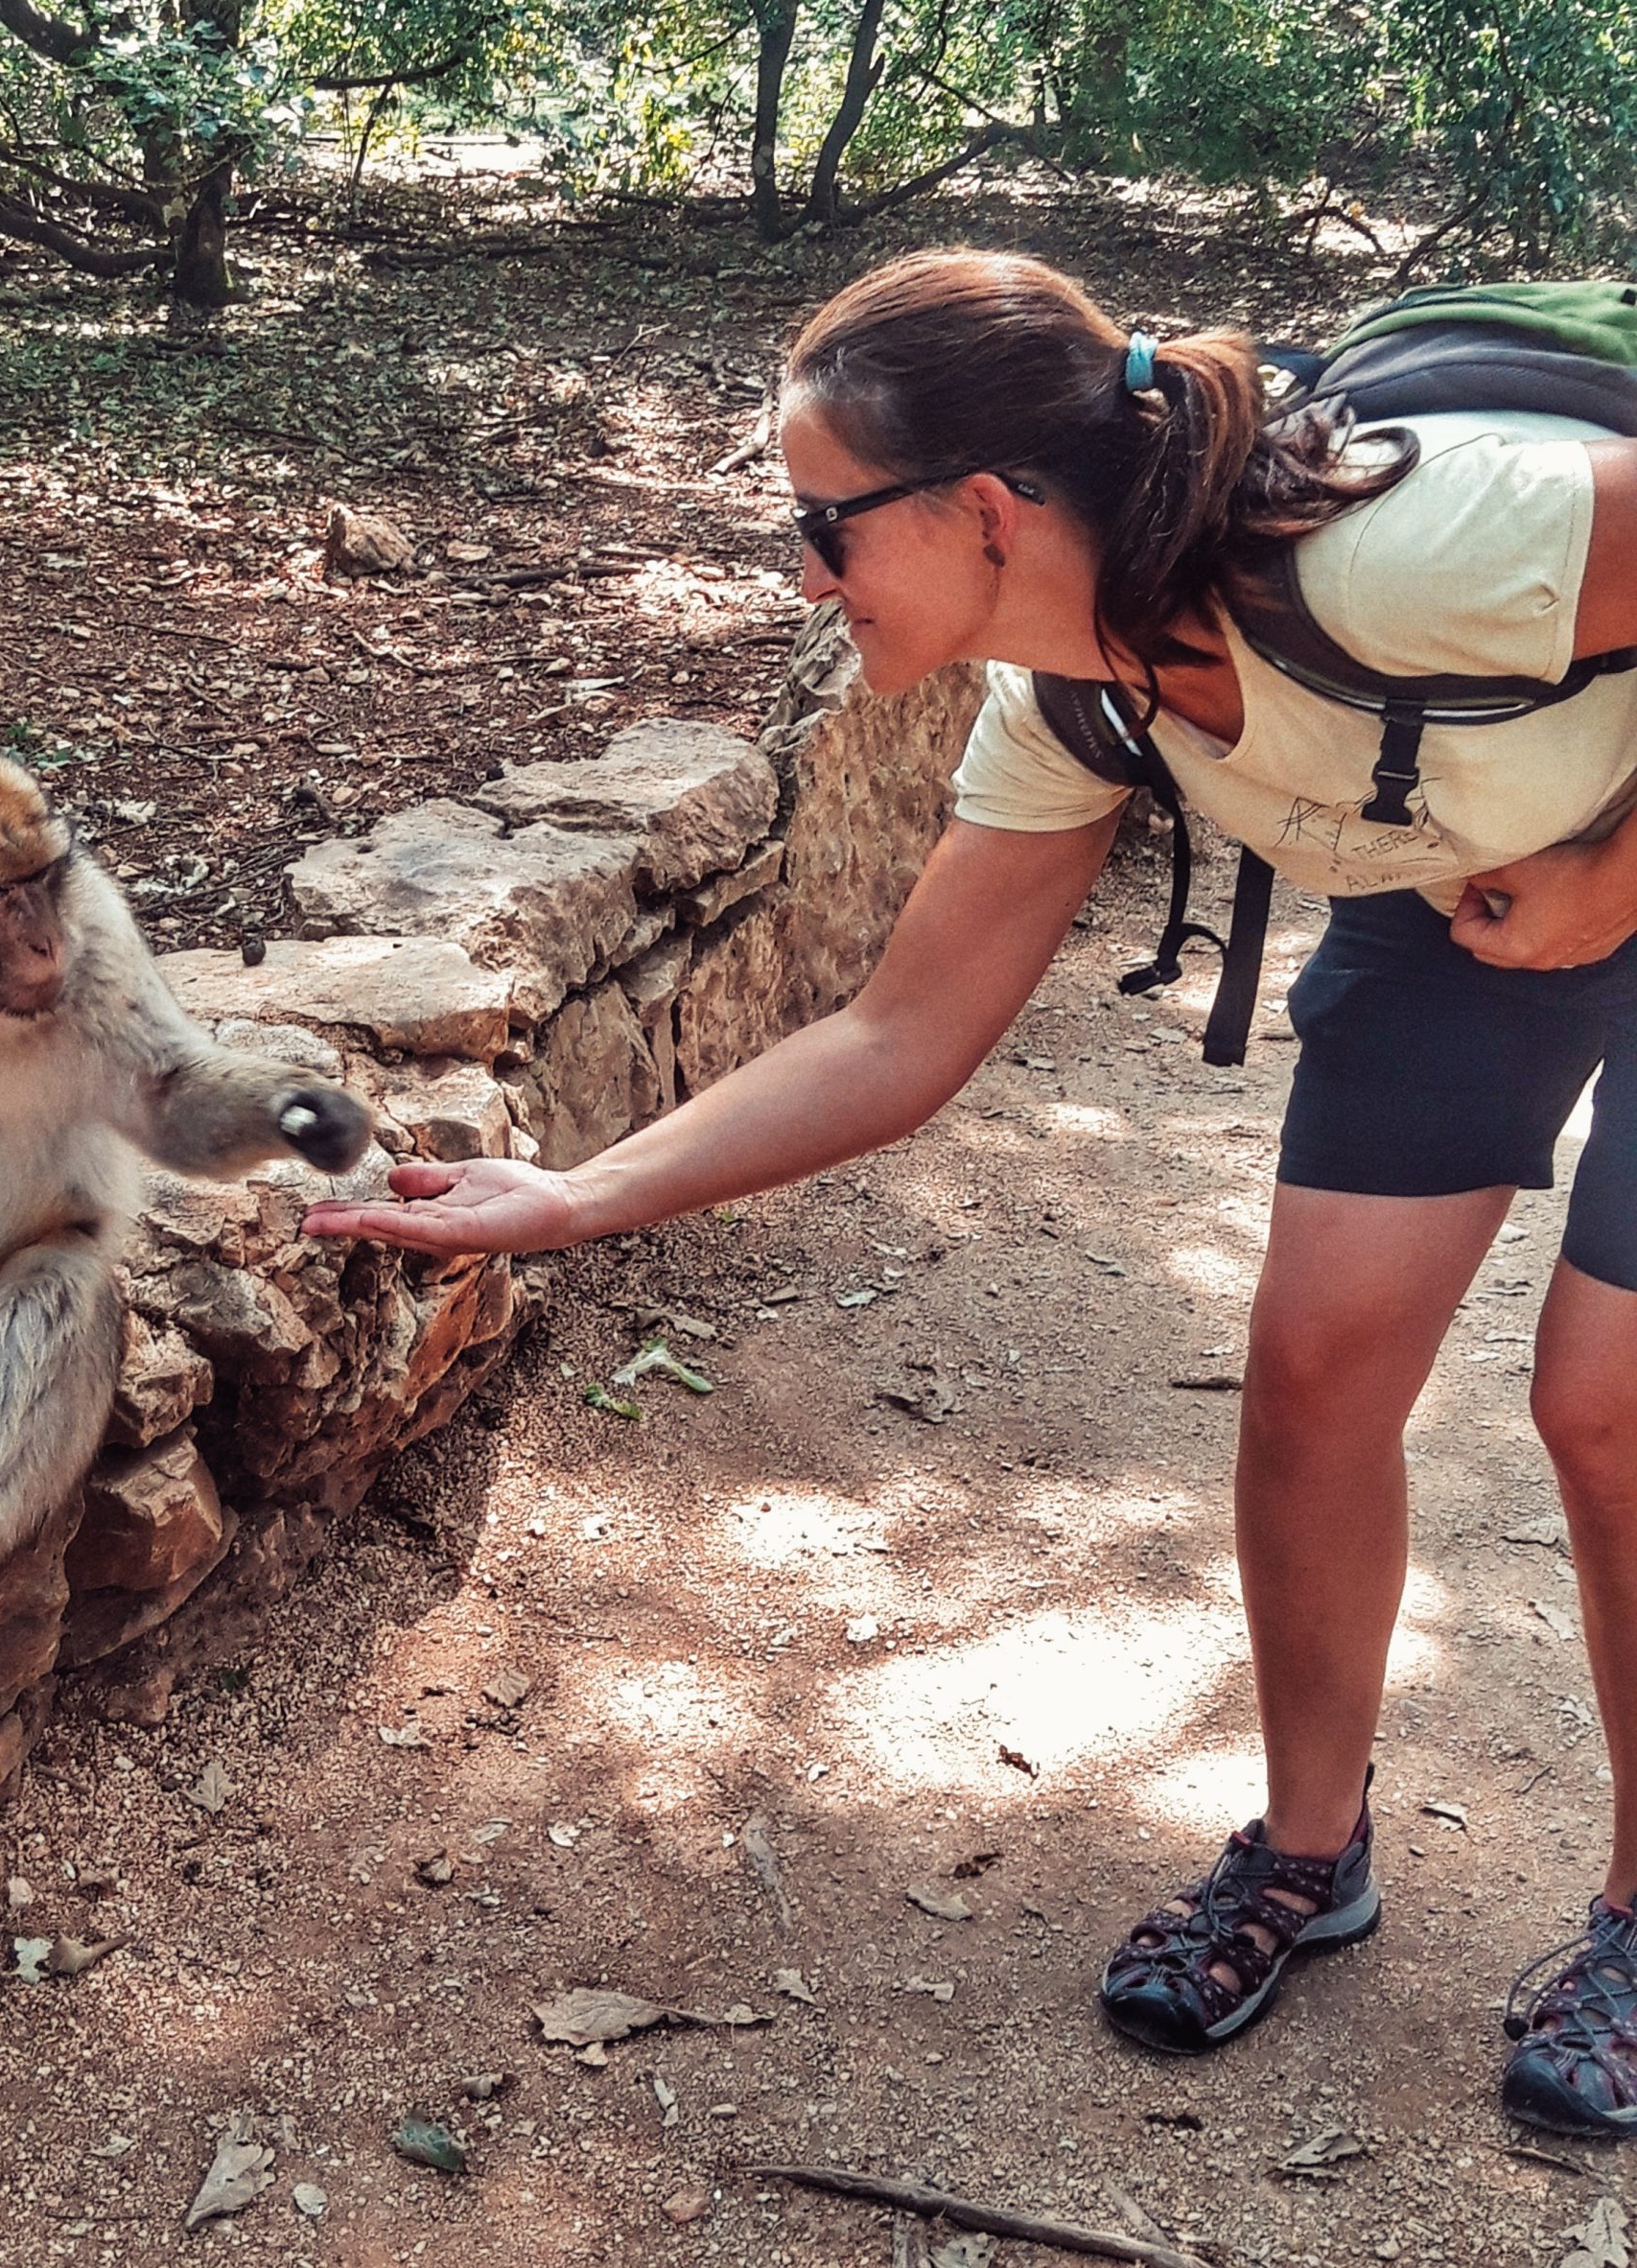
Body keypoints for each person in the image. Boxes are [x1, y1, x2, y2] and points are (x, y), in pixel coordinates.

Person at [302, 249, 1637, 2136]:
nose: (800, 571)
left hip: (1587, 842)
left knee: (1604, 1397)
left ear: (986, 510)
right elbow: (895, 1035)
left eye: (819, 522)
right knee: (1319, 1365)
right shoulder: (1073, 702)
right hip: (1459, 880)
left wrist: (1614, 860)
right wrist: (571, 1194)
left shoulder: (1386, 557)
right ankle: (1303, 1849)